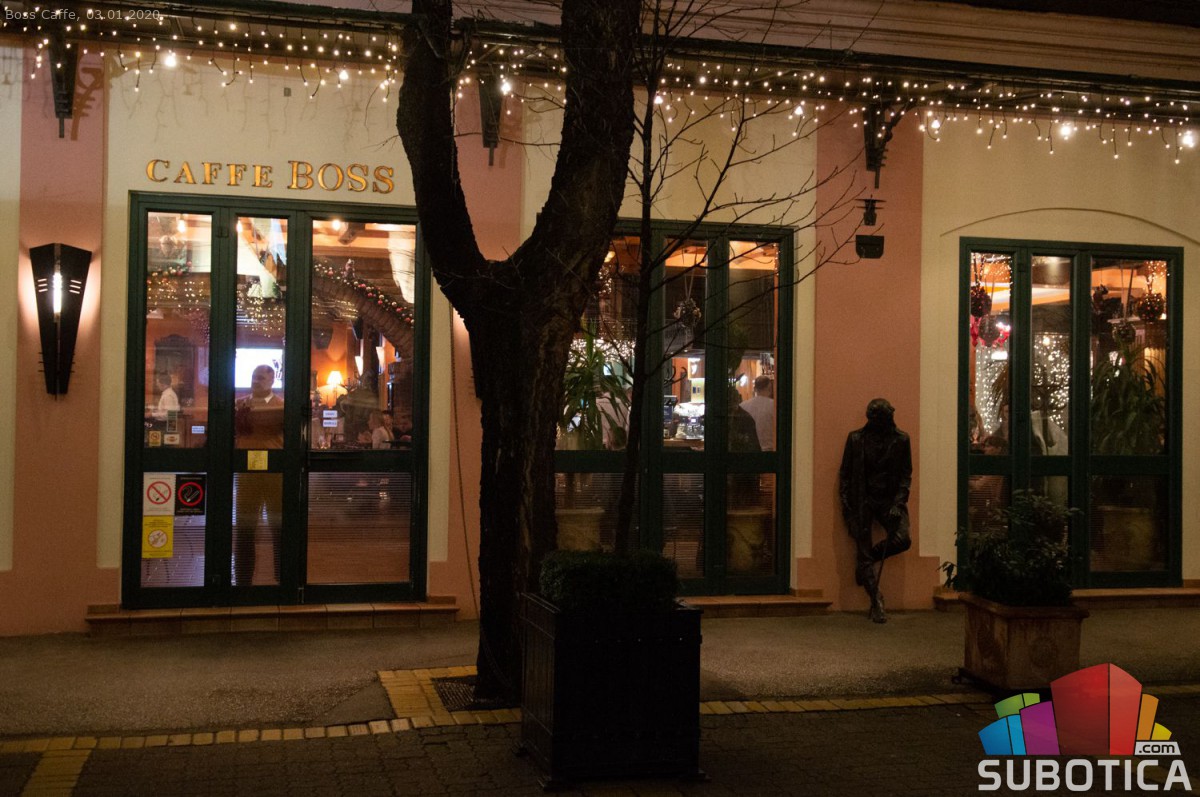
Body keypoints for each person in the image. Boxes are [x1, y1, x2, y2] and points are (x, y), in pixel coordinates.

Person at [838, 398, 913, 624]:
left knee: (903, 539)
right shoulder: (855, 439)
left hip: (889, 501)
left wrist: (898, 504)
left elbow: (905, 476)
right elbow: (845, 475)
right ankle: (876, 600)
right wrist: (847, 506)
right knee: (862, 546)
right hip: (863, 501)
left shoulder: (902, 440)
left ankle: (867, 561)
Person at [233, 364, 284, 585]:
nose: (256, 381)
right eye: (254, 376)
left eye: (261, 377)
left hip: (275, 472)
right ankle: (243, 580)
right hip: (247, 473)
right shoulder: (239, 405)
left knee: (279, 527)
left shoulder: (282, 407)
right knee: (245, 529)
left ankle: (282, 579)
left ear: (272, 380)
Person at [740, 375, 776, 451]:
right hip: (770, 449)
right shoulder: (774, 406)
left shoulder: (743, 406)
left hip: (749, 450)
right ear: (770, 388)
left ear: (755, 389)